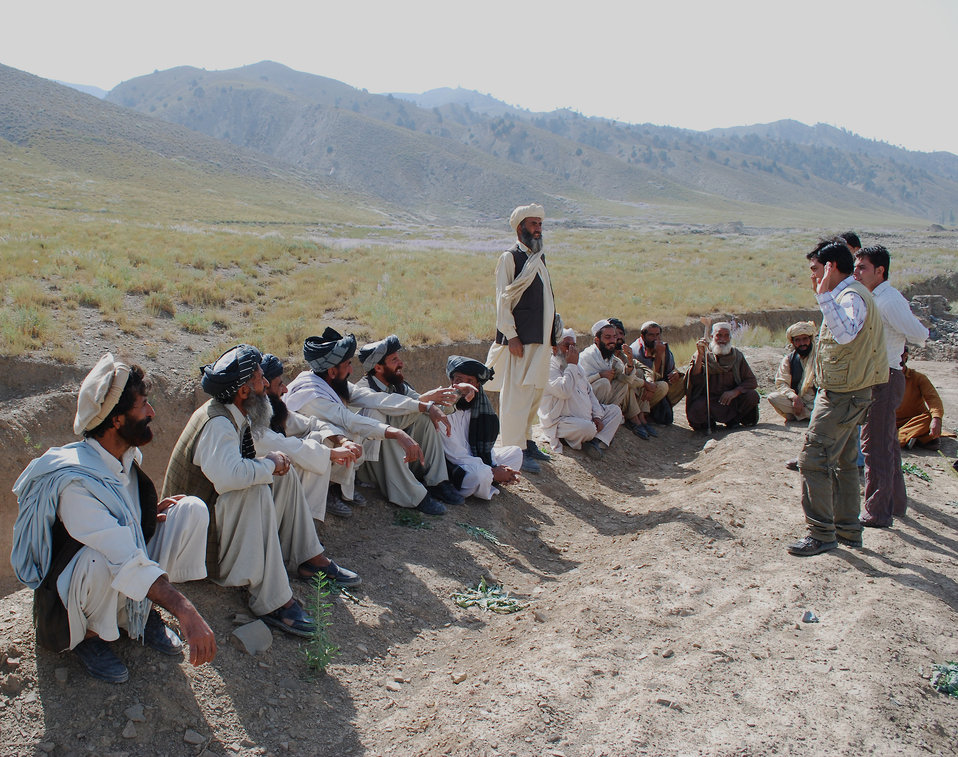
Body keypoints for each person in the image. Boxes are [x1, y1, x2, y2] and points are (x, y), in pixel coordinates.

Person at [11, 354, 216, 683]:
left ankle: (140, 613)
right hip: (76, 588)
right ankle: (90, 636)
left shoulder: (125, 455)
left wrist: (143, 513)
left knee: (188, 509)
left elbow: (120, 517)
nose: (152, 412)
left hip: (118, 561)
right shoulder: (76, 483)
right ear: (117, 419)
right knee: (98, 556)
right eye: (143, 405)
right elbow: (120, 551)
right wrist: (185, 610)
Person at [162, 344, 360, 640]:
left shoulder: (235, 413)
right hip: (198, 547)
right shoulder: (218, 424)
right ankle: (273, 601)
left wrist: (272, 465)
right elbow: (228, 478)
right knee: (253, 488)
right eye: (259, 378)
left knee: (283, 472)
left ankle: (307, 558)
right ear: (243, 391)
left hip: (216, 523)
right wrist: (268, 464)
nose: (266, 384)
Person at [787, 241, 886, 556]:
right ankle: (847, 531)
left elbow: (845, 334)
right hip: (847, 393)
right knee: (843, 462)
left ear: (830, 267)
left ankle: (821, 534)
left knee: (813, 459)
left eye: (816, 269)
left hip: (844, 396)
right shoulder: (848, 295)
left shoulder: (850, 297)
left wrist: (824, 295)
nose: (813, 277)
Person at [284, 329, 448, 515]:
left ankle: (343, 485)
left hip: (329, 450)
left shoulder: (329, 381)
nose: (351, 370)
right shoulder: (312, 395)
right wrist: (396, 432)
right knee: (334, 435)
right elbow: (349, 420)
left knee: (370, 417)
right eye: (348, 364)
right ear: (332, 371)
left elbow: (375, 398)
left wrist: (424, 406)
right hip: (299, 460)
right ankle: (328, 490)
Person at [853, 245, 929, 526]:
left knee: (874, 445)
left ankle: (877, 511)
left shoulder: (888, 300)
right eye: (855, 267)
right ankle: (895, 503)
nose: (857, 273)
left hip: (885, 376)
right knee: (885, 443)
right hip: (877, 376)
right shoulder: (874, 297)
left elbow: (919, 334)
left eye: (863, 267)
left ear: (880, 270)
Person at [485, 203, 559, 473]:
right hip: (521, 338)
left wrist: (553, 335)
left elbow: (547, 298)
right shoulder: (510, 258)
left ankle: (527, 442)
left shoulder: (538, 257)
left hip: (541, 338)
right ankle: (514, 450)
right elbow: (502, 301)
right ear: (520, 228)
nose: (538, 229)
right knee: (516, 395)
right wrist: (512, 336)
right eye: (533, 224)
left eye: (540, 224)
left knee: (535, 392)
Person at [353, 334, 466, 508]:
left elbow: (429, 407)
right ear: (378, 367)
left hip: (397, 459)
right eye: (394, 360)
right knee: (389, 430)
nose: (401, 363)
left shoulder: (398, 385)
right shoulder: (363, 390)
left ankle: (437, 483)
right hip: (370, 467)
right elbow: (393, 414)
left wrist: (456, 394)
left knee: (426, 420)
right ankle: (412, 496)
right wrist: (424, 402)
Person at [257, 354, 362, 519]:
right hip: (258, 492)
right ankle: (302, 519)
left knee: (321, 437)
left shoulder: (272, 411)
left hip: (277, 482)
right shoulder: (250, 423)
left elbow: (312, 423)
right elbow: (289, 447)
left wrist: (343, 441)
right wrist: (331, 453)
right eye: (280, 385)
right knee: (314, 447)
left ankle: (311, 512)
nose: (285, 390)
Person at [441, 355, 522, 500]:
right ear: (451, 381)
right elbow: (456, 455)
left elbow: (487, 447)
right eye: (459, 380)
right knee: (481, 475)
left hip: (477, 461)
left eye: (470, 381)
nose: (464, 387)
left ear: (477, 385)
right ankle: (492, 479)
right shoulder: (443, 409)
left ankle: (493, 478)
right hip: (455, 465)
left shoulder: (480, 409)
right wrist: (492, 471)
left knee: (515, 453)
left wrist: (494, 466)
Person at [538, 328, 624, 458]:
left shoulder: (577, 366)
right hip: (561, 422)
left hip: (585, 419)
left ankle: (595, 441)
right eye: (567, 345)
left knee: (615, 411)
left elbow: (590, 393)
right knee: (587, 428)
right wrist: (572, 365)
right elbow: (564, 392)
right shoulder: (548, 368)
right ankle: (583, 438)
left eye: (573, 346)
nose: (571, 350)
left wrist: (597, 417)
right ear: (555, 348)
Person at [579, 319, 657, 439]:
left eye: (614, 337)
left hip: (601, 401)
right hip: (584, 402)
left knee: (623, 383)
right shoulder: (587, 356)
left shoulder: (610, 357)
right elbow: (579, 385)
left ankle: (608, 417)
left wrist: (630, 362)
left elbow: (627, 379)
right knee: (604, 383)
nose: (612, 341)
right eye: (607, 337)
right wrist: (599, 375)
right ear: (597, 340)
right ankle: (596, 418)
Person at [685, 322, 760, 431]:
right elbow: (694, 379)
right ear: (712, 337)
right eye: (719, 335)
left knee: (752, 395)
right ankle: (709, 423)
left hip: (731, 400)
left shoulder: (736, 355)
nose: (723, 339)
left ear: (730, 337)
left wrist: (735, 392)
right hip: (710, 400)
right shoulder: (702, 354)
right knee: (697, 408)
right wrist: (700, 355)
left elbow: (751, 381)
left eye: (726, 336)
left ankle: (734, 420)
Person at [629, 320, 686, 425]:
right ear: (643, 336)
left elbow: (671, 368)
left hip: (655, 386)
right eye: (651, 335)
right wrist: (659, 355)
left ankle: (661, 409)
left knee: (683, 381)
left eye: (657, 335)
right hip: (643, 389)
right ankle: (642, 412)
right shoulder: (636, 351)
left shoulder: (663, 347)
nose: (655, 338)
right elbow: (650, 375)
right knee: (663, 386)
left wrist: (675, 374)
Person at [897, 346, 953, 449]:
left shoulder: (918, 378)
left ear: (905, 357)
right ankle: (916, 437)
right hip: (890, 420)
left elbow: (933, 398)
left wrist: (936, 419)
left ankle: (899, 438)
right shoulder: (882, 377)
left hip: (914, 422)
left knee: (930, 417)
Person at [766, 321, 818, 422]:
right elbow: (781, 383)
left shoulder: (820, 357)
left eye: (805, 339)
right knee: (773, 397)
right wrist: (794, 397)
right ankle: (812, 415)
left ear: (810, 339)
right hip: (800, 401)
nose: (802, 343)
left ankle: (802, 415)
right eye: (797, 340)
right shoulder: (789, 359)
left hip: (819, 400)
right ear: (793, 342)